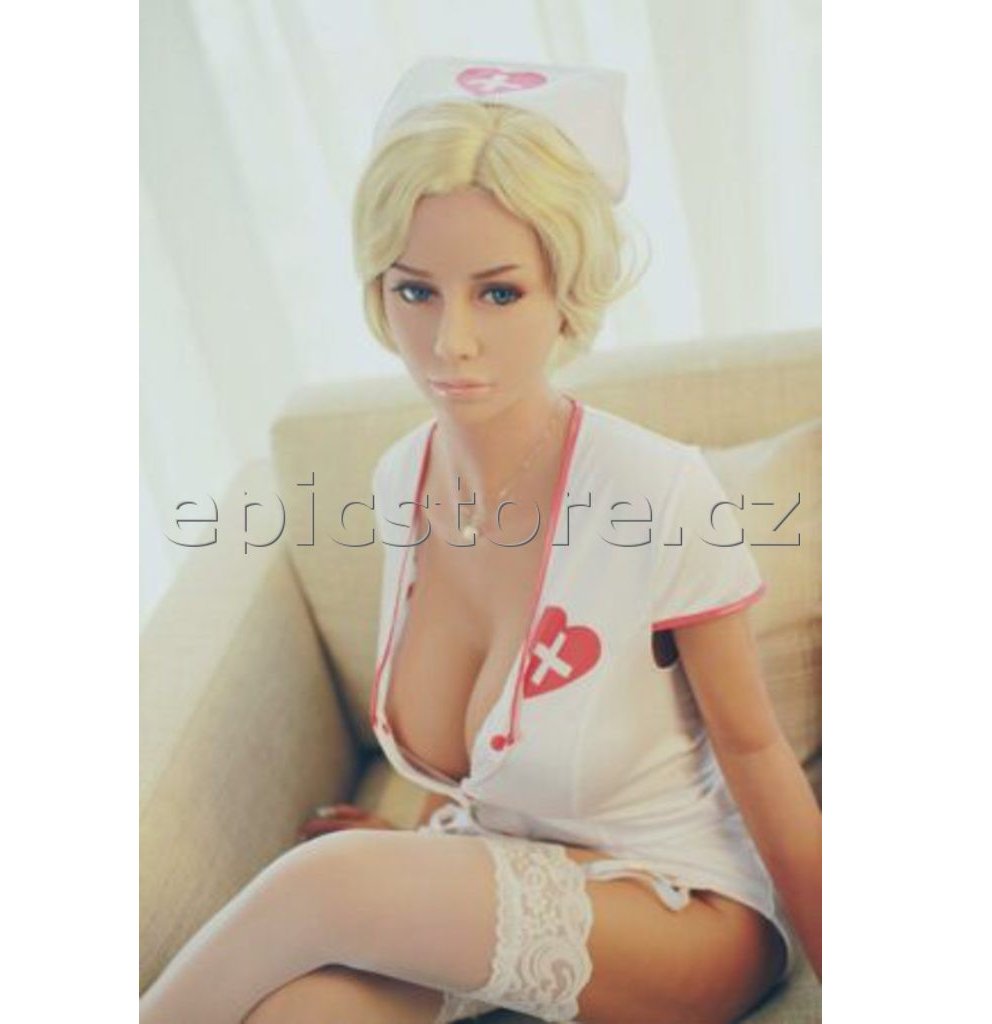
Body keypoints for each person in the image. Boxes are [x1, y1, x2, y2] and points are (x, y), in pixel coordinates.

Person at [139, 57, 822, 1024]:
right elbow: (476, 741)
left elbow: (755, 749)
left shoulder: (658, 492)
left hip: (687, 910)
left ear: (564, 293)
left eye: (498, 294)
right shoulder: (401, 479)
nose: (451, 341)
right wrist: (415, 860)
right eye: (417, 292)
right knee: (297, 1010)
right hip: (508, 871)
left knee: (326, 882)